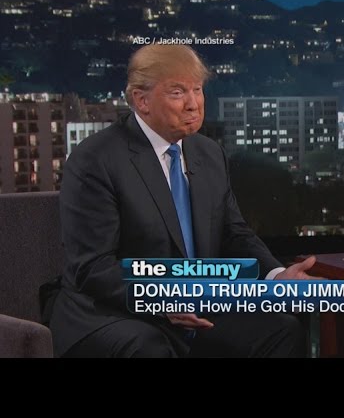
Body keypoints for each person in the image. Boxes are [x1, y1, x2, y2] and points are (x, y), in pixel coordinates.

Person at [49, 44, 317, 357]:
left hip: (196, 307)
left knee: (282, 330)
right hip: (115, 312)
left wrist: (276, 276)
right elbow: (93, 268)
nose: (193, 104)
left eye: (197, 90)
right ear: (142, 100)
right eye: (177, 92)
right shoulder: (96, 159)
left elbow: (234, 233)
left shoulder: (209, 153)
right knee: (151, 348)